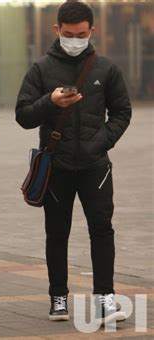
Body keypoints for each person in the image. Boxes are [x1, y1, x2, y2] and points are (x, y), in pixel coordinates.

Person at [15, 1, 131, 325]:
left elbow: (122, 112)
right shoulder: (40, 69)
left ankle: (105, 299)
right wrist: (48, 101)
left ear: (91, 31)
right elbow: (22, 115)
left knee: (102, 229)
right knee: (56, 232)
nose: (75, 39)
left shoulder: (106, 69)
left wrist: (101, 142)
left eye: (81, 34)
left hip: (95, 166)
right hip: (57, 165)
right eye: (68, 34)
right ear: (57, 30)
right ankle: (58, 296)